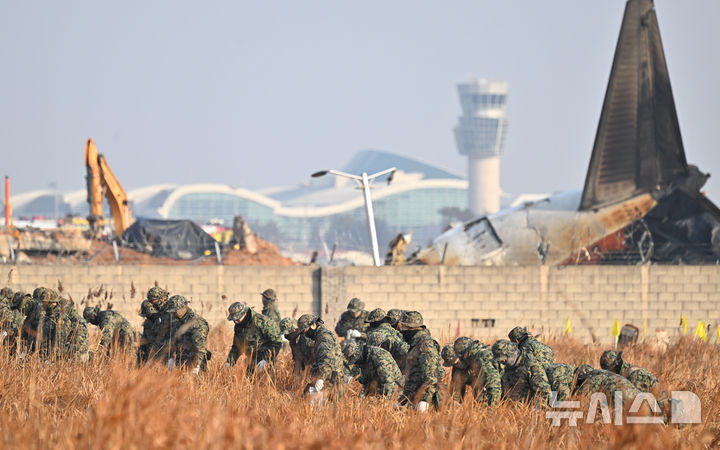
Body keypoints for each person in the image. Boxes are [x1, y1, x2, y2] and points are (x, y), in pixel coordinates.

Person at [397, 311, 443, 411]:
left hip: (428, 402)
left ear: (412, 328)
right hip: (414, 398)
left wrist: (425, 401)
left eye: (403, 327)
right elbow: (412, 378)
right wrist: (401, 401)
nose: (401, 330)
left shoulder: (425, 344)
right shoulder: (414, 344)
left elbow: (431, 376)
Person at [297, 314, 347, 401]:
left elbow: (327, 359)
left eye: (305, 330)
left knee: (320, 405)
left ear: (313, 325)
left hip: (330, 380)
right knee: (305, 399)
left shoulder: (324, 338)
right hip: (326, 376)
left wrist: (320, 379)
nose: (305, 334)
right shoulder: (319, 337)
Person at [225, 302, 282, 374]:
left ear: (244, 314)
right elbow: (237, 346)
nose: (236, 322)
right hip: (251, 360)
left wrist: (266, 360)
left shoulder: (262, 322)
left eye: (237, 318)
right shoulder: (238, 326)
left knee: (266, 380)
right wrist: (230, 362)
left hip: (266, 360)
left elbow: (277, 342)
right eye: (234, 319)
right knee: (248, 380)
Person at [492, 340, 550, 406]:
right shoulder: (507, 367)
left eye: (505, 358)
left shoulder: (530, 366)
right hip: (511, 408)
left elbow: (544, 391)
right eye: (500, 360)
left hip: (527, 408)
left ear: (514, 354)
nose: (503, 361)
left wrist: (536, 410)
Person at [163, 295, 209, 373]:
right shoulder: (176, 321)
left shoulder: (196, 322)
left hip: (194, 363)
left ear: (183, 308)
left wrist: (197, 365)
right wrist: (171, 358)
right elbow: (173, 340)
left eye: (175, 311)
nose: (173, 313)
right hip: (180, 363)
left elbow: (200, 346)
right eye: (172, 311)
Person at [453, 337, 501, 406]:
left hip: (500, 390)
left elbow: (494, 383)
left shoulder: (481, 357)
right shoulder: (473, 357)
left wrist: (491, 407)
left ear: (466, 352)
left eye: (461, 356)